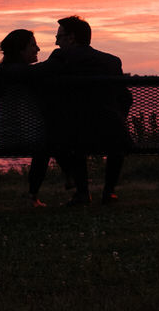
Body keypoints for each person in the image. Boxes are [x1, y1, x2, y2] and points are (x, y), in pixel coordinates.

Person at [40, 15, 132, 205]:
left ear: (71, 38)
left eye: (59, 36)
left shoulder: (62, 57)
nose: (56, 41)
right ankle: (109, 192)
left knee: (68, 131)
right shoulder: (112, 61)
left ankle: (83, 193)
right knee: (112, 133)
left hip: (77, 134)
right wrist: (120, 118)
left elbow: (37, 75)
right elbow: (125, 97)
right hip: (113, 131)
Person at [0, 29, 67, 208]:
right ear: (20, 50)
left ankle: (67, 180)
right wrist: (60, 55)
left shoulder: (0, 72)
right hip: (28, 138)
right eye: (32, 45)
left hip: (6, 136)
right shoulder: (26, 74)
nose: (37, 48)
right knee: (54, 138)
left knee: (49, 138)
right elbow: (47, 70)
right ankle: (71, 180)